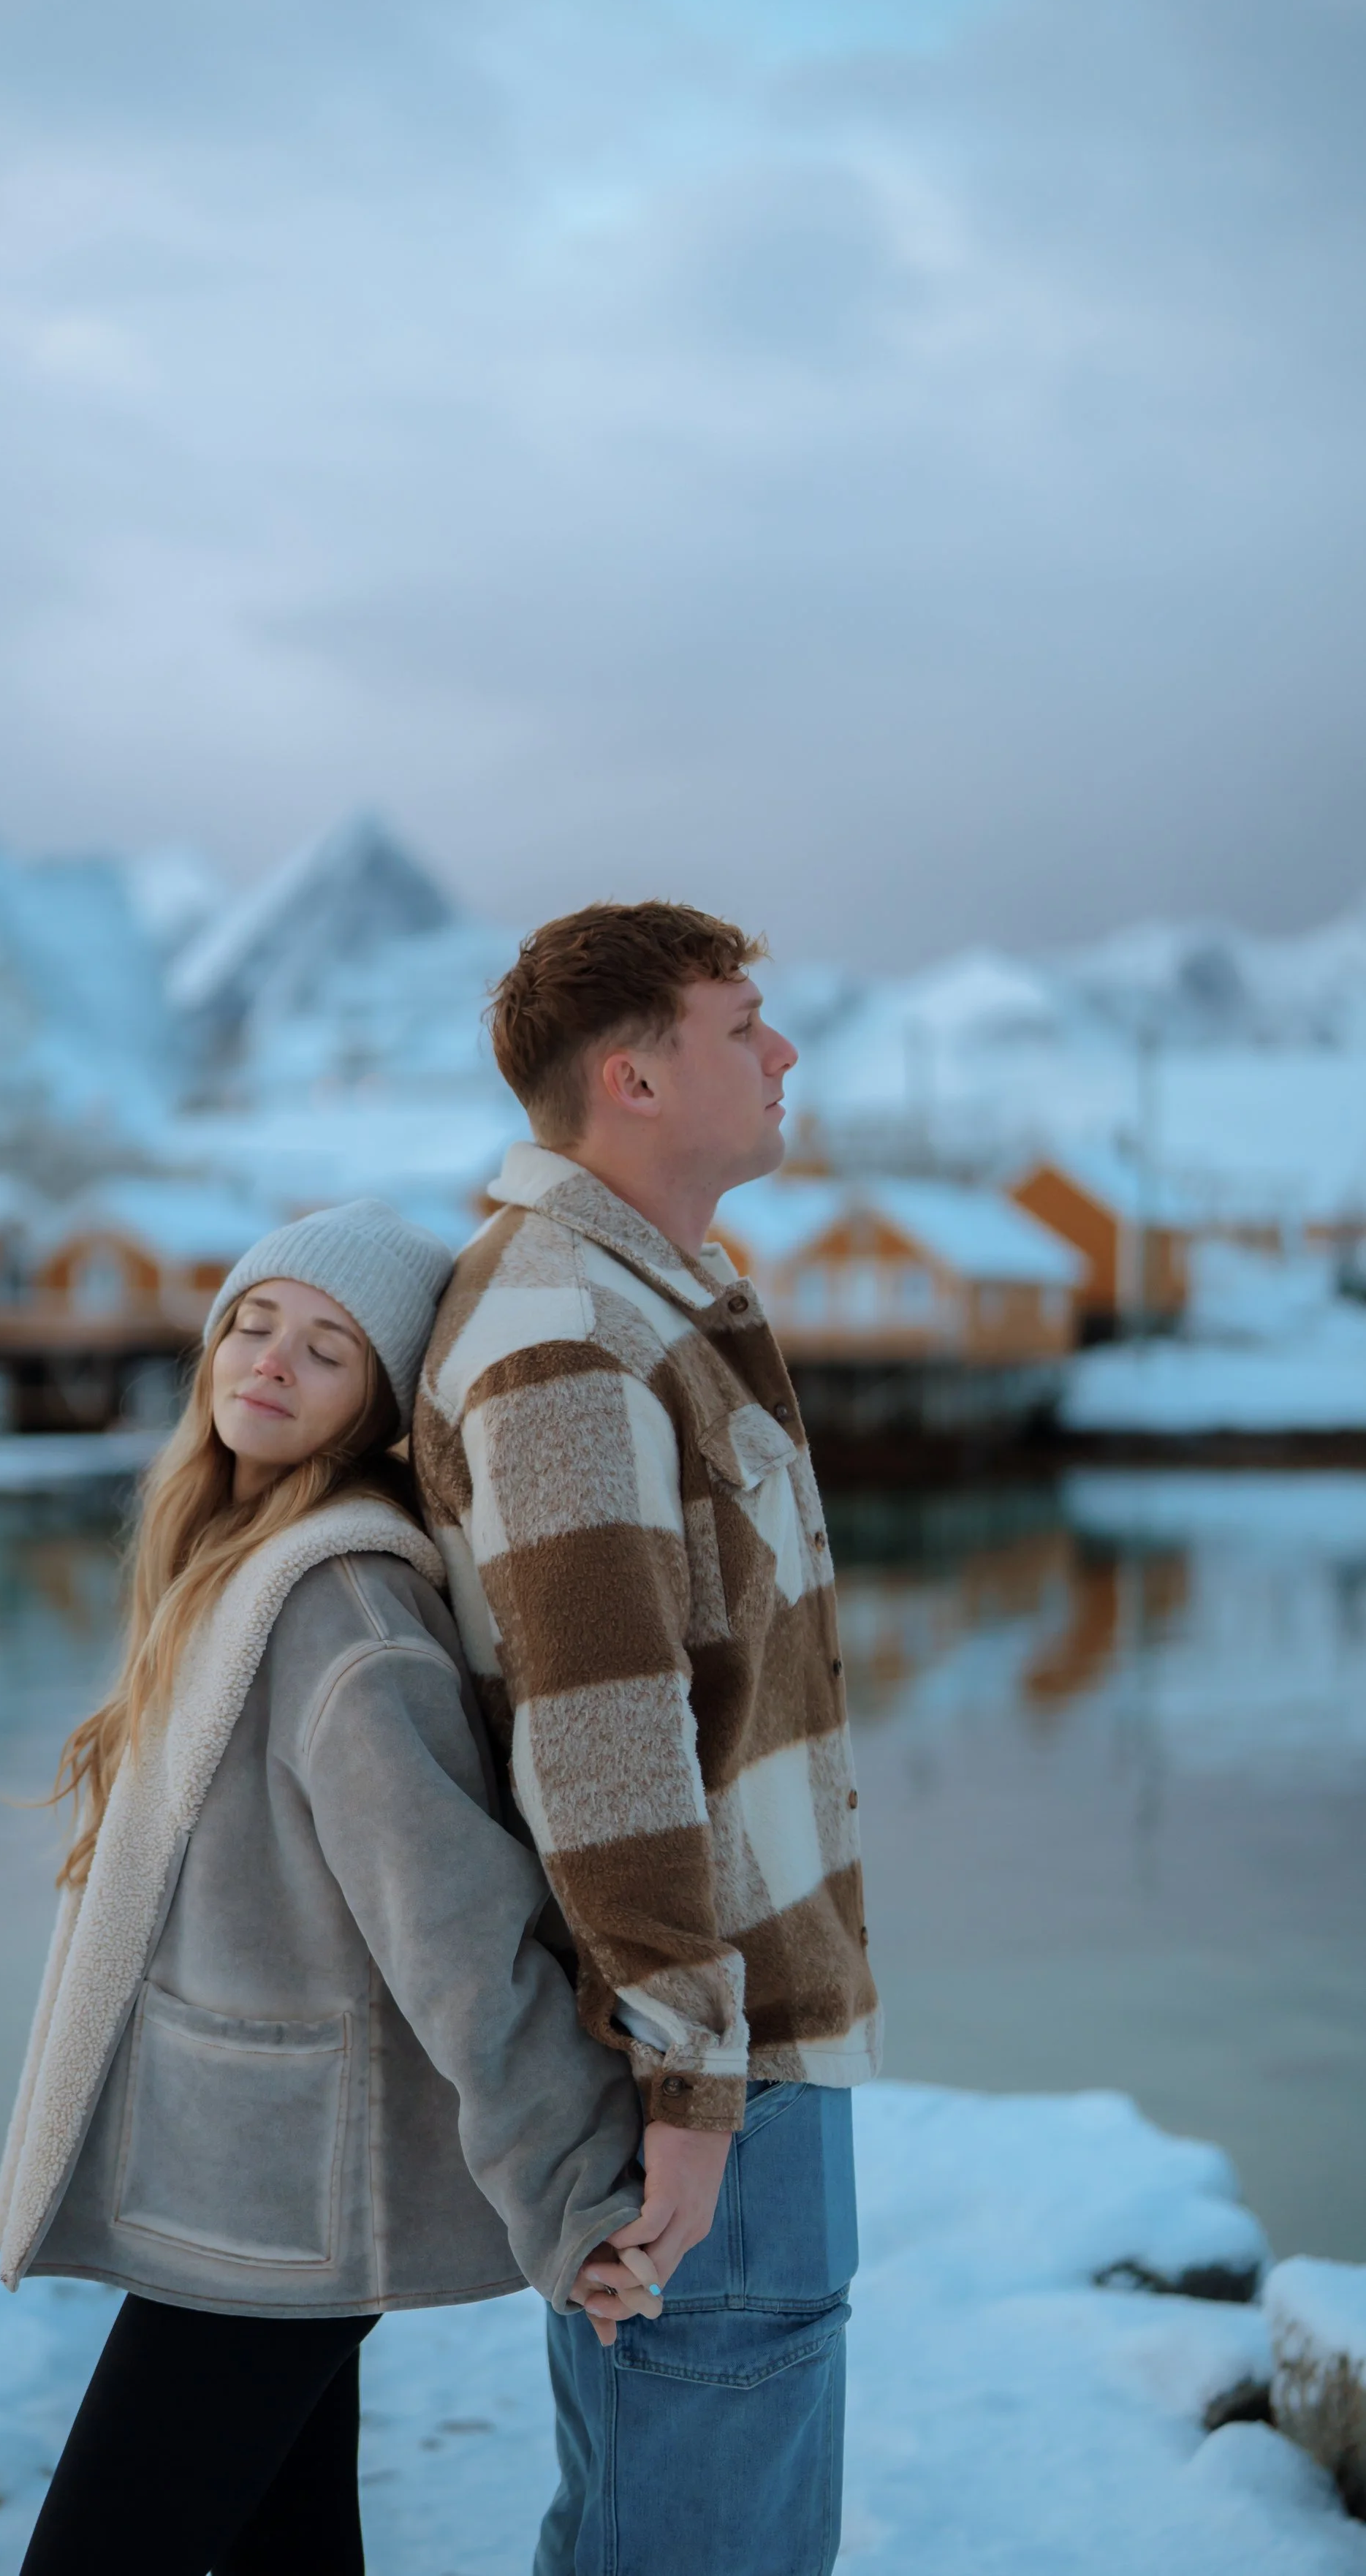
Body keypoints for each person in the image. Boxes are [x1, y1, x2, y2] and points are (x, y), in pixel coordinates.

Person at [0, 1198, 661, 2576]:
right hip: (252, 2184)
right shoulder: (229, 1567)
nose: (271, 1360)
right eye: (253, 1320)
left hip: (277, 2198)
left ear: (371, 1413)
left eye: (328, 1349)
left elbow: (457, 1924)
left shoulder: (339, 1607)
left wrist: (568, 2188)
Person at [414, 902, 882, 2576]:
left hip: (743, 2042)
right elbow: (600, 1743)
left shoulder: (647, 1302)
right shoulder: (563, 1339)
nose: (780, 1052)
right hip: (704, 2073)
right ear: (630, 1075)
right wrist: (688, 2089)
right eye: (741, 1023)